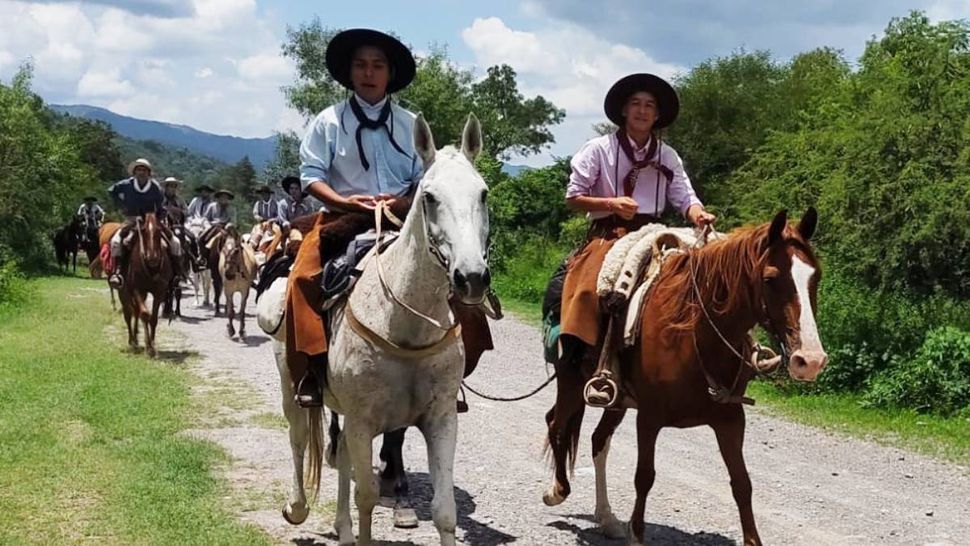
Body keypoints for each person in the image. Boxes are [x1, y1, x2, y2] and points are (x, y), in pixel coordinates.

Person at [559, 73, 716, 405]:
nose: (642, 111)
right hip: (609, 232)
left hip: (655, 234)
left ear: (657, 114)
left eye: (649, 106)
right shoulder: (599, 149)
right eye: (636, 104)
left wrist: (699, 214)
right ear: (624, 111)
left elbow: (686, 196)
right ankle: (591, 362)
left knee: (704, 278)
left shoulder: (668, 155)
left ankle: (697, 364)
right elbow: (573, 197)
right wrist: (610, 203)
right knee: (591, 287)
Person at [107, 159, 182, 288]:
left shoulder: (155, 187)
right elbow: (111, 191)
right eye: (139, 170)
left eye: (144, 170)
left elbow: (160, 205)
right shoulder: (125, 184)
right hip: (132, 219)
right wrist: (121, 205)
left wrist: (158, 217)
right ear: (134, 172)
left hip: (151, 220)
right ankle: (117, 272)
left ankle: (176, 275)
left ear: (148, 173)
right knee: (115, 241)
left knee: (175, 242)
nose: (141, 172)